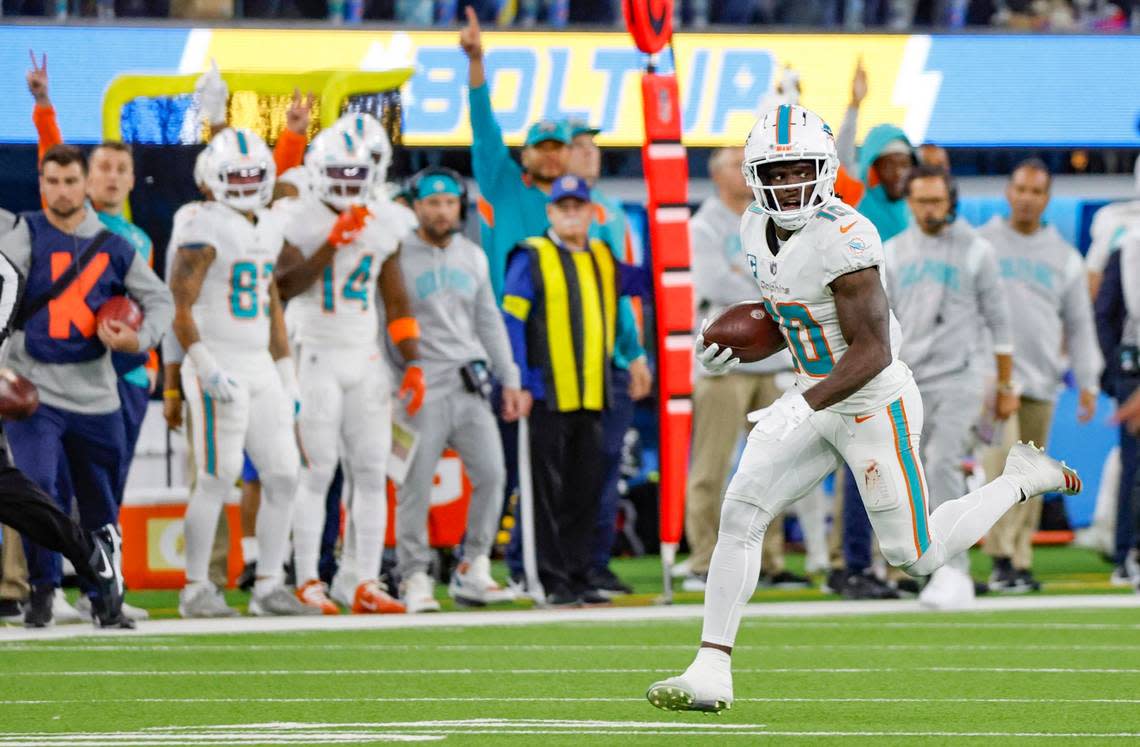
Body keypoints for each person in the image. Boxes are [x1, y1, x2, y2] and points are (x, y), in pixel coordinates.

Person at [646, 104, 1081, 713]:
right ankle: (711, 666)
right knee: (741, 511)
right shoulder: (751, 226)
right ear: (753, 176)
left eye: (802, 169)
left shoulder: (847, 235)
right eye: (776, 171)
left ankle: (1017, 480)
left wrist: (801, 404)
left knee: (914, 556)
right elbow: (790, 316)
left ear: (825, 171)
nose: (790, 183)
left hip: (873, 402)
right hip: (814, 395)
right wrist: (732, 353)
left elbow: (872, 349)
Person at [0, 145, 173, 628]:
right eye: (51, 181)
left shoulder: (118, 246)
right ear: (41, 185)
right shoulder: (23, 235)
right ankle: (43, 591)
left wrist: (139, 337)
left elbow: (160, 301)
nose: (61, 191)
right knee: (36, 490)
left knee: (101, 503)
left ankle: (105, 597)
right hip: (35, 392)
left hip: (96, 393)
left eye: (70, 181)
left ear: (85, 186)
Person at [273, 117, 423, 615]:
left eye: (357, 174)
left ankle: (362, 579)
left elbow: (397, 301)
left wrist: (415, 363)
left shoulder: (387, 219)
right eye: (338, 172)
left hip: (365, 356)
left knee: (373, 469)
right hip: (313, 350)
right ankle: (309, 578)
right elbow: (285, 284)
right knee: (318, 470)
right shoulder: (298, 213)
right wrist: (333, 240)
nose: (347, 185)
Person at [168, 128, 313, 618]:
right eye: (236, 174)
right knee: (216, 477)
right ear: (212, 178)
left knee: (285, 473)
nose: (247, 182)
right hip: (217, 362)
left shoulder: (268, 226)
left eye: (253, 174)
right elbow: (179, 305)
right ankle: (195, 588)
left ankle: (270, 582)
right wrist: (203, 366)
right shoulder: (199, 223)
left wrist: (286, 369)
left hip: (258, 364)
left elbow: (270, 300)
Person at [501, 175, 650, 606]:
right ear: (550, 213)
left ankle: (579, 572)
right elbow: (511, 322)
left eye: (577, 206)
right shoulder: (531, 256)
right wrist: (519, 381)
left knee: (587, 488)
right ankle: (547, 576)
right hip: (546, 391)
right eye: (562, 206)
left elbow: (641, 285)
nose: (570, 213)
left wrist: (667, 227)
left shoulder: (603, 255)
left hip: (594, 391)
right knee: (546, 490)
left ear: (591, 212)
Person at [884, 164, 1018, 609]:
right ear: (909, 203)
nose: (929, 209)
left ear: (952, 201)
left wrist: (1005, 384)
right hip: (906, 379)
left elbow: (1001, 323)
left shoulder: (976, 251)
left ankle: (953, 571)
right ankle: (926, 566)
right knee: (913, 476)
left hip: (961, 376)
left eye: (936, 201)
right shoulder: (893, 253)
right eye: (921, 201)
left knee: (943, 462)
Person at [394, 167, 522, 612]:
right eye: (433, 202)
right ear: (415, 206)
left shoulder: (472, 254)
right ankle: (413, 575)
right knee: (414, 484)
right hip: (419, 386)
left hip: (469, 383)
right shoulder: (395, 253)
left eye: (449, 203)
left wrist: (510, 378)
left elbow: (490, 319)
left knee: (492, 475)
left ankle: (473, 565)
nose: (442, 210)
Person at [682, 146, 810, 593]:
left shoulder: (770, 217)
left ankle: (771, 562)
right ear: (718, 176)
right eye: (737, 165)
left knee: (775, 466)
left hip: (776, 357)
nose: (748, 172)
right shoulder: (703, 225)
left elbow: (796, 278)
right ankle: (702, 560)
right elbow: (715, 282)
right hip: (724, 361)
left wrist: (761, 282)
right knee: (711, 466)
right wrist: (768, 286)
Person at [978, 159, 1102, 593]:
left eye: (1036, 192)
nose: (1027, 198)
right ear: (1008, 192)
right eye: (1020, 189)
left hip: (1043, 379)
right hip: (993, 382)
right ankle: (999, 558)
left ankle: (1020, 557)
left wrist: (1088, 380)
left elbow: (1080, 322)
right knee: (999, 470)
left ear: (1046, 199)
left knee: (1032, 476)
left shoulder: (1063, 256)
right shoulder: (983, 245)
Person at [564, 117, 652, 595]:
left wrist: (634, 350)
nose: (589, 154)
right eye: (578, 146)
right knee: (567, 467)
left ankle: (595, 562)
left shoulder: (615, 212)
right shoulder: (556, 210)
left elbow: (624, 289)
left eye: (592, 147)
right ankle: (558, 564)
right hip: (567, 358)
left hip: (614, 357)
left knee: (605, 463)